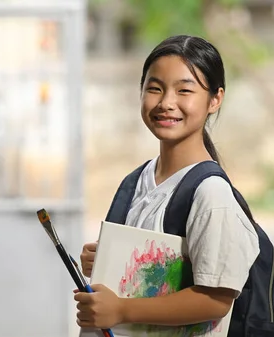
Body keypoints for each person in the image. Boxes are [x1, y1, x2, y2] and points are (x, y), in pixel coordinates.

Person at [75, 35, 261, 332]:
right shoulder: (136, 181)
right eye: (154, 88)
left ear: (215, 99)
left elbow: (215, 299)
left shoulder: (211, 195)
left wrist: (121, 309)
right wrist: (106, 259)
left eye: (184, 90)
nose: (166, 103)